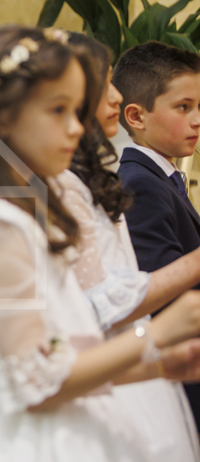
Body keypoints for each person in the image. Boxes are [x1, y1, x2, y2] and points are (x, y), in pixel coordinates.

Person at [0, 25, 200, 462]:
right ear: (5, 117)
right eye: (58, 111)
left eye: (76, 110)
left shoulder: (23, 214)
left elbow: (58, 350)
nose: (76, 127)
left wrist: (155, 365)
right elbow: (31, 383)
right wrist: (155, 333)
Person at [57, 32, 200, 461]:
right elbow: (116, 294)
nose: (116, 97)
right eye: (104, 85)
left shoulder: (106, 180)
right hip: (112, 357)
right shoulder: (135, 183)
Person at [114, 40, 200, 427]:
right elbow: (163, 292)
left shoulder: (163, 179)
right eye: (184, 107)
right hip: (181, 376)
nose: (197, 120)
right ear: (136, 116)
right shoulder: (140, 184)